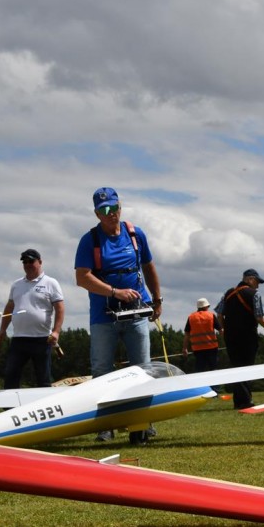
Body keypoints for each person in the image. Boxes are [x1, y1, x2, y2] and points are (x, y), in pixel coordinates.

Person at [74, 187, 162, 443]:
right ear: (97, 214)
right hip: (104, 315)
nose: (110, 213)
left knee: (142, 369)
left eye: (114, 207)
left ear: (120, 207)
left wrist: (157, 299)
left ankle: (143, 423)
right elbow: (82, 278)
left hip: (136, 312)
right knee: (102, 370)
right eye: (104, 210)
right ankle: (105, 426)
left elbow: (148, 266)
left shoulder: (135, 234)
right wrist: (115, 292)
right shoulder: (89, 240)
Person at [0, 249, 65, 389]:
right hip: (19, 338)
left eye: (31, 261)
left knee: (43, 378)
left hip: (42, 338)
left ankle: (46, 402)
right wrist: (2, 329)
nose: (28, 264)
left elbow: (60, 308)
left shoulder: (50, 283)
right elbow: (9, 308)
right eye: (25, 262)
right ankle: (11, 402)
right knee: (11, 375)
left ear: (40, 262)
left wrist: (56, 331)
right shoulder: (16, 285)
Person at [215, 268, 264, 410]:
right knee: (246, 368)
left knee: (236, 367)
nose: (258, 285)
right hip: (247, 336)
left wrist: (223, 330)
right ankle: (245, 401)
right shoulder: (254, 294)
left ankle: (239, 401)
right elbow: (259, 317)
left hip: (230, 337)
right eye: (257, 282)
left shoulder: (228, 293)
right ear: (250, 279)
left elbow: (219, 314)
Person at [183, 297, 223, 373]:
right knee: (214, 370)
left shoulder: (191, 317)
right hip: (212, 348)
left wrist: (185, 348)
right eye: (208, 306)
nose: (208, 308)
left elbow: (187, 335)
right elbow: (221, 331)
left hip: (198, 349)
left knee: (199, 371)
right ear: (205, 306)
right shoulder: (211, 316)